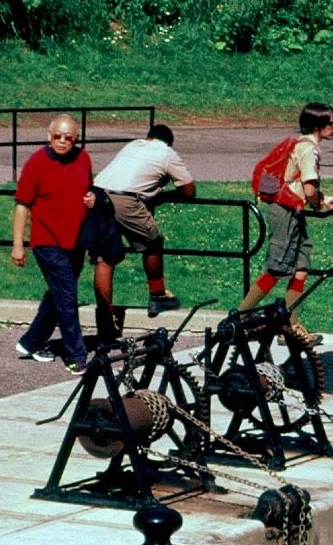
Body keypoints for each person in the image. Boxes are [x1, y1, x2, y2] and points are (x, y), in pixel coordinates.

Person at [89, 123, 196, 338]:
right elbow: (188, 189)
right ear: (168, 142)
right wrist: (164, 195)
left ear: (148, 137)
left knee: (104, 258)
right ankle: (157, 295)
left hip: (96, 194)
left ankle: (105, 318)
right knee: (153, 241)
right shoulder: (166, 152)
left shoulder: (133, 145)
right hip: (124, 198)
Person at [237, 102, 333, 315]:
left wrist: (323, 201)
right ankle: (241, 316)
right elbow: (309, 189)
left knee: (301, 267)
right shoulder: (308, 150)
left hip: (294, 210)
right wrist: (318, 202)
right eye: (331, 122)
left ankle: (291, 325)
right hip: (285, 211)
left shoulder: (303, 145)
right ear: (317, 125)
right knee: (276, 269)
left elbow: (302, 188)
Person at [11, 115, 97, 372]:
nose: (62, 141)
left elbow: (88, 189)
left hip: (75, 240)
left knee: (59, 294)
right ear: (49, 136)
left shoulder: (84, 159)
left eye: (68, 137)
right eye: (57, 136)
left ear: (76, 139)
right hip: (46, 241)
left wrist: (92, 198)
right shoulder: (36, 163)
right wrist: (18, 244)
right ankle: (76, 355)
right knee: (67, 297)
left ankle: (30, 342)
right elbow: (22, 205)